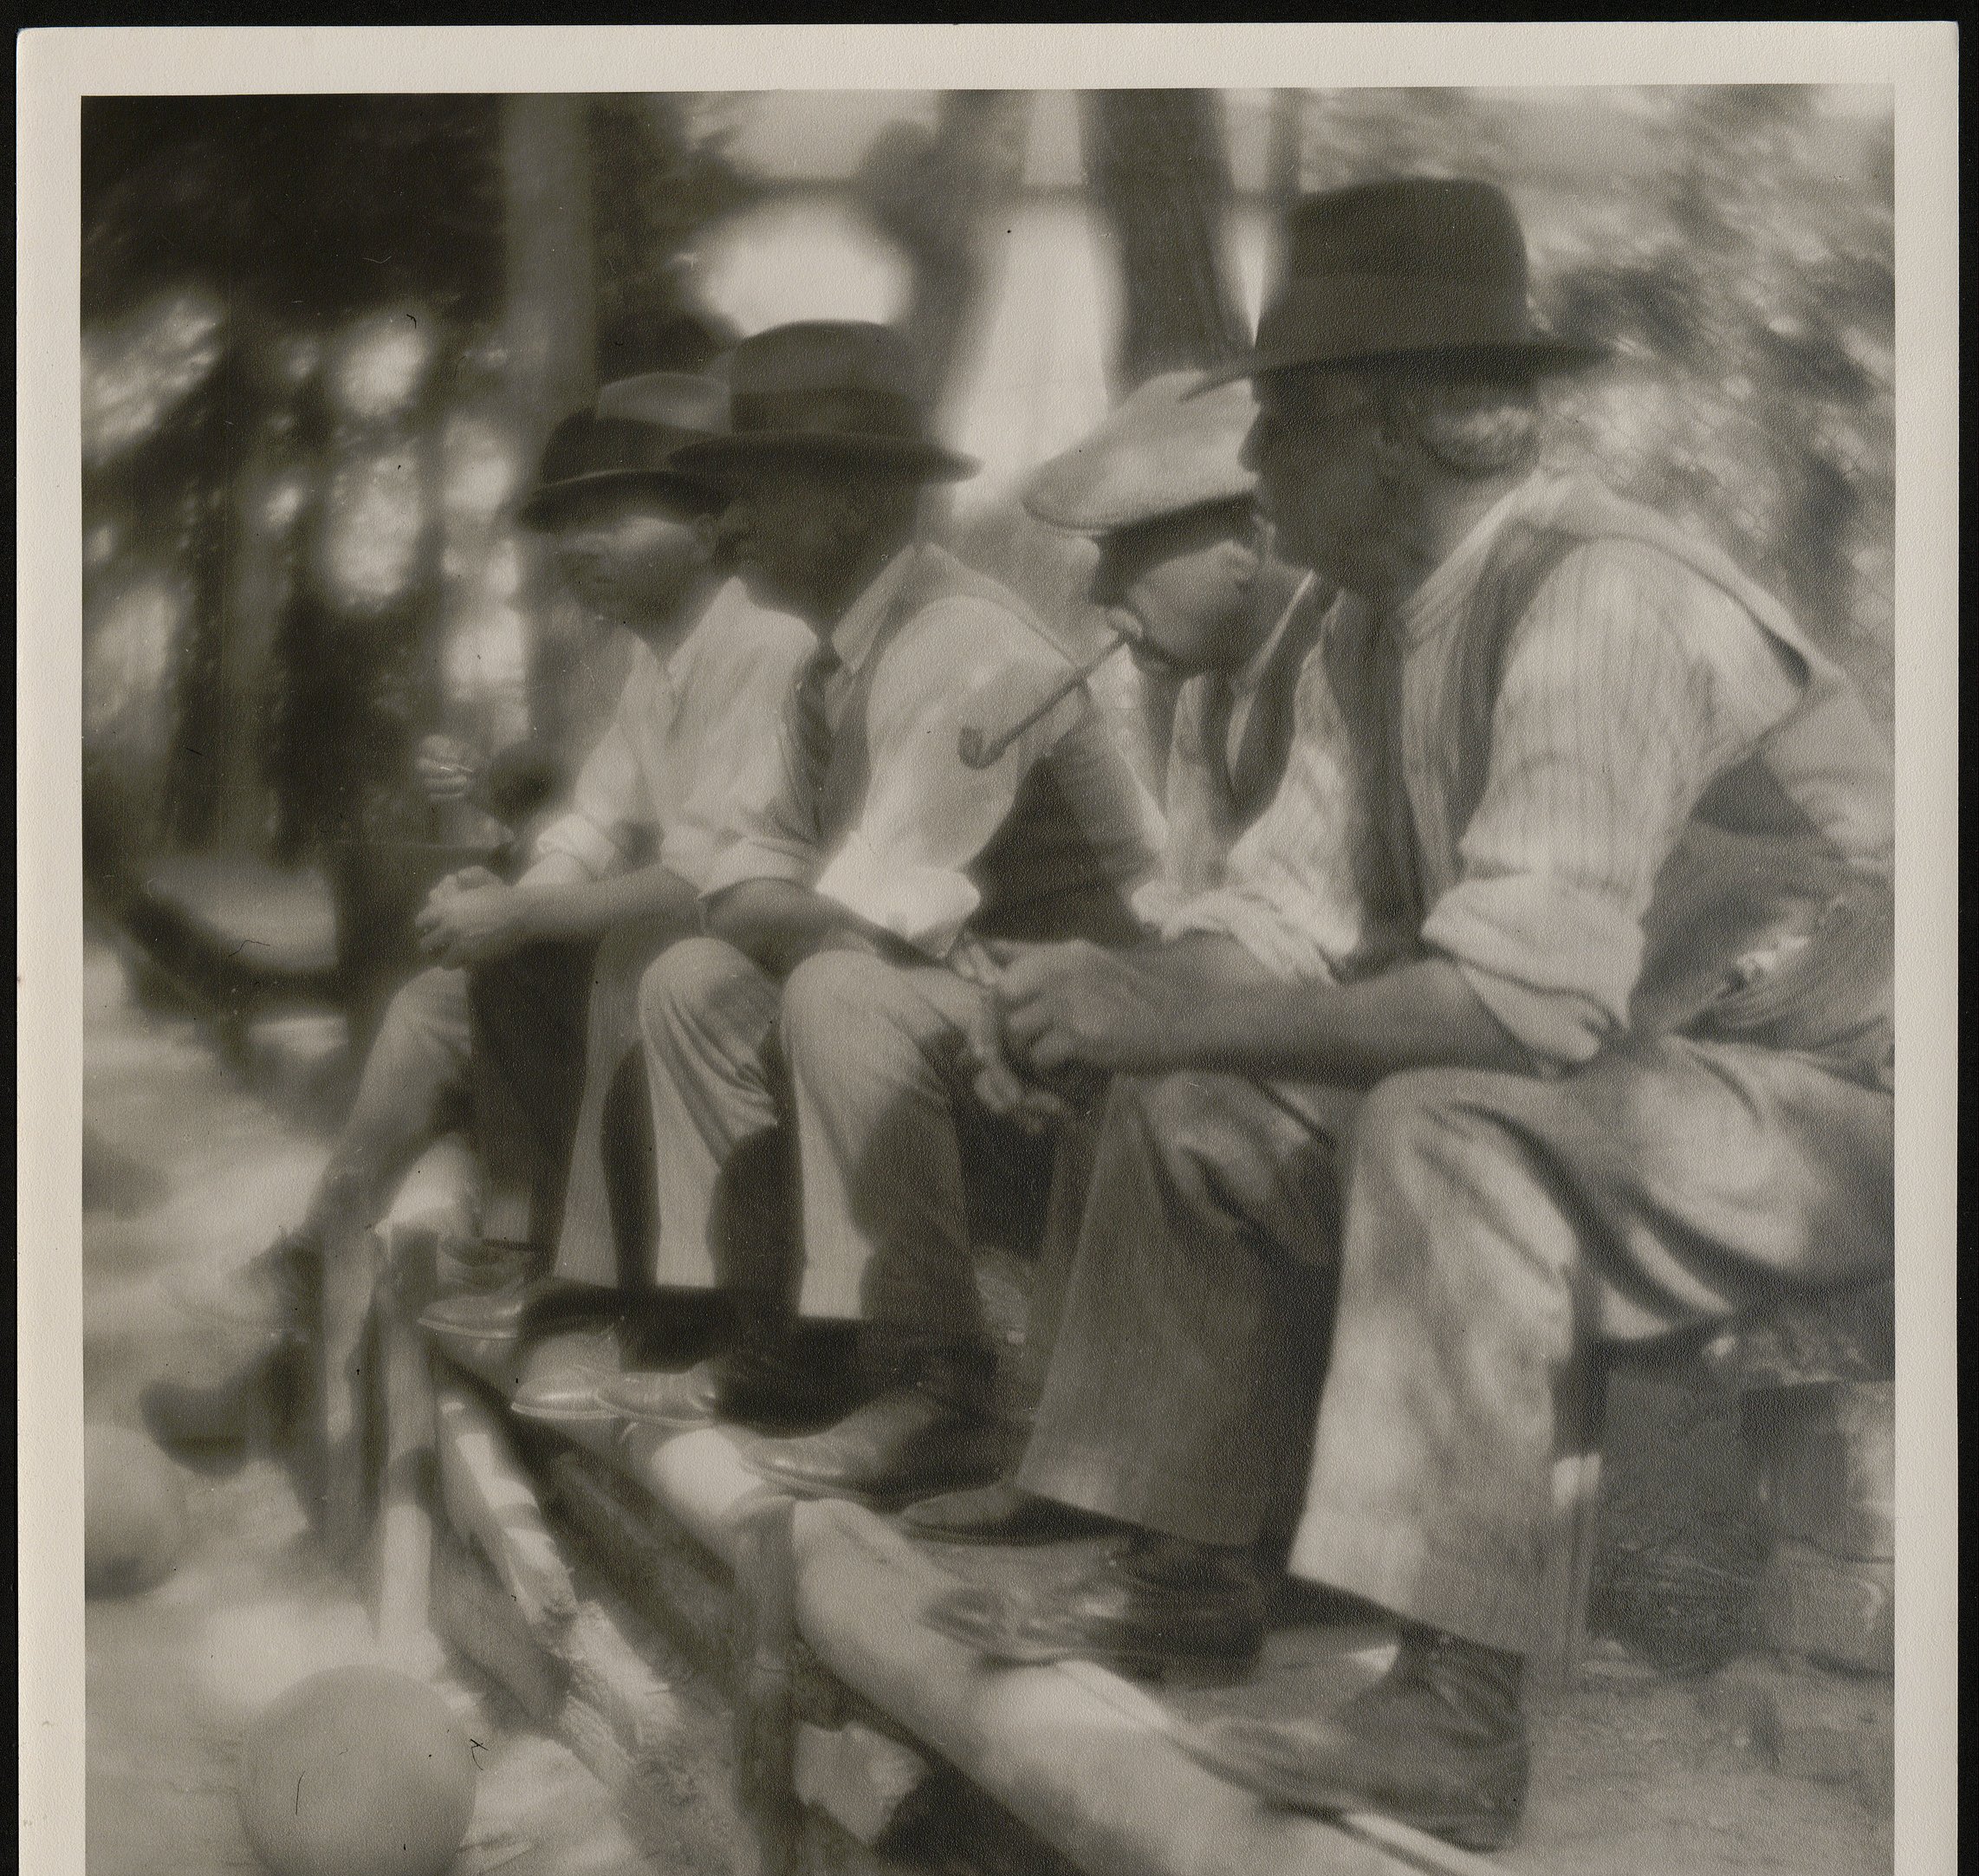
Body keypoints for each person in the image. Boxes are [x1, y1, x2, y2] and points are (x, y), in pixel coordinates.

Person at [923, 179, 1894, 1852]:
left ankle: (1449, 1714)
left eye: (1280, 427)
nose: (1256, 470)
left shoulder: (1597, 596)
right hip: (1648, 1082)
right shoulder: (1367, 636)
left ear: (1386, 432)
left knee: (1446, 1121)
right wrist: (1109, 1002)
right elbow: (1275, 929)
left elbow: (1517, 1007)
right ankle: (1182, 1575)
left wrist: (1155, 1014)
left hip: (1829, 1095)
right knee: (1189, 1094)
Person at [144, 379, 812, 1459]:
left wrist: (526, 916)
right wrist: (503, 896)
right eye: (564, 523)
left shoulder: (769, 649)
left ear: (713, 521)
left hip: (740, 1018)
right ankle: (331, 1267)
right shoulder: (663, 661)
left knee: (469, 1033)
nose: (576, 546)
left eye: (611, 515)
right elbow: (593, 820)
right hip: (634, 1001)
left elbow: (715, 878)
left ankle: (446, 1273)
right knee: (431, 1008)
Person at [591, 320, 1160, 1508]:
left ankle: (940, 1384)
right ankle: (791, 1340)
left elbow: (858, 925)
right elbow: (735, 881)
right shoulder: (825, 663)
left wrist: (780, 907)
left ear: (846, 506)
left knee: (834, 986)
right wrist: (774, 905)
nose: (720, 526)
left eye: (746, 493)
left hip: (1091, 1054)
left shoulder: (960, 647)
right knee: (690, 980)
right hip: (970, 1019)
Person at [899, 366, 1329, 1544]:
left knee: (1146, 1061)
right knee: (1096, 1042)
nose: (1098, 592)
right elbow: (1194, 914)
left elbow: (1305, 941)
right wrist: (1062, 997)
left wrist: (1109, 997)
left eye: (1127, 551)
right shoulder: (1202, 700)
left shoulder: (1334, 659)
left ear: (1243, 543)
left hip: (1375, 1023)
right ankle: (1069, 1457)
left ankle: (1171, 1506)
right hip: (1286, 1009)